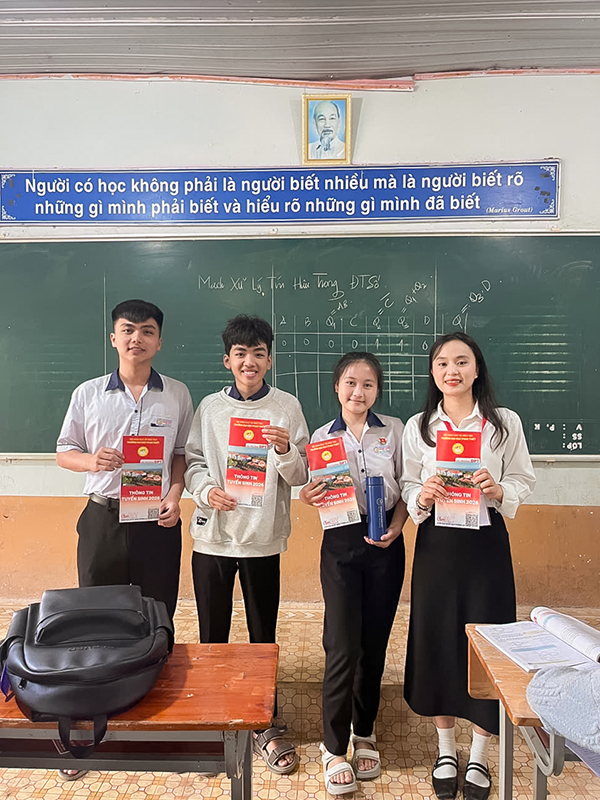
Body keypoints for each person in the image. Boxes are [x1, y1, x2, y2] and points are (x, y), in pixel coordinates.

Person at [56, 298, 193, 782]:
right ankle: (93, 718)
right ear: (114, 338)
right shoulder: (88, 393)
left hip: (156, 521)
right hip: (103, 518)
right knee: (96, 620)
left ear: (159, 340)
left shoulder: (176, 394)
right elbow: (64, 451)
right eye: (128, 329)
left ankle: (160, 714)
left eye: (147, 330)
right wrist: (91, 461)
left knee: (158, 614)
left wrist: (175, 495)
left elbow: (181, 454)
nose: (138, 338)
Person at [401, 332, 536, 800]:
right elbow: (406, 484)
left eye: (462, 361)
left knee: (487, 640)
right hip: (436, 545)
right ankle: (445, 748)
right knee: (437, 637)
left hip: (485, 545)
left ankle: (479, 752)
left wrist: (499, 489)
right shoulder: (420, 426)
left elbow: (522, 478)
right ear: (433, 372)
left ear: (477, 369)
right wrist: (422, 494)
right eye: (442, 363)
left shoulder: (503, 423)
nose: (452, 371)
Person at [184, 314, 309, 775]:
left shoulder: (287, 407)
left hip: (262, 539)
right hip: (213, 538)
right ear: (227, 361)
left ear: (269, 360)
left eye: (258, 353)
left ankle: (263, 721)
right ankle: (214, 720)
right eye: (241, 354)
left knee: (262, 637)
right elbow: (193, 462)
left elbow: (302, 475)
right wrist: (205, 491)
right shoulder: (209, 409)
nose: (249, 362)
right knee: (212, 637)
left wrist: (285, 451)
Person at [299, 352, 407, 796]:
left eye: (367, 384)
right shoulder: (322, 437)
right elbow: (315, 491)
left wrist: (397, 527)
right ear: (337, 387)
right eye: (350, 382)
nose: (357, 392)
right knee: (342, 644)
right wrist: (307, 496)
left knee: (374, 643)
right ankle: (333, 748)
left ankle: (364, 732)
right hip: (341, 544)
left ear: (377, 390)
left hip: (386, 542)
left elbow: (408, 486)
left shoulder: (395, 430)